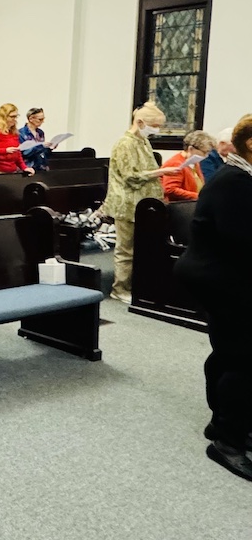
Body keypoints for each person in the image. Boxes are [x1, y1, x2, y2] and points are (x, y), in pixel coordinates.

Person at [175, 114, 252, 481]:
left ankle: (221, 422)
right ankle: (227, 441)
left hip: (225, 275)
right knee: (243, 359)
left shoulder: (240, 177)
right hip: (218, 278)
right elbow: (243, 240)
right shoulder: (234, 182)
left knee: (230, 351)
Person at [100, 101, 180, 303]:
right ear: (141, 122)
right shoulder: (125, 143)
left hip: (143, 202)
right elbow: (130, 176)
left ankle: (137, 285)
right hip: (127, 202)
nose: (157, 130)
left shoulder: (142, 141)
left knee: (142, 247)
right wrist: (162, 172)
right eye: (155, 125)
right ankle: (120, 288)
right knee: (126, 249)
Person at [0, 103, 35, 175]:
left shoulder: (13, 130)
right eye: (12, 117)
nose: (15, 119)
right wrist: (5, 150)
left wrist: (24, 167)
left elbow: (17, 152)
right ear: (4, 117)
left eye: (16, 116)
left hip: (10, 170)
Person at [162, 130, 215, 202]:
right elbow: (170, 189)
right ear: (191, 149)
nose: (206, 156)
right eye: (204, 152)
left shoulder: (195, 163)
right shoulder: (176, 163)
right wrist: (198, 196)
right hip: (180, 207)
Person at [18, 107, 59, 173]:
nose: (42, 121)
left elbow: (42, 152)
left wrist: (49, 148)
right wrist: (41, 145)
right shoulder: (21, 133)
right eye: (40, 119)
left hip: (41, 166)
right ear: (31, 119)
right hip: (29, 167)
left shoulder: (40, 133)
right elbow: (25, 153)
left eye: (43, 119)